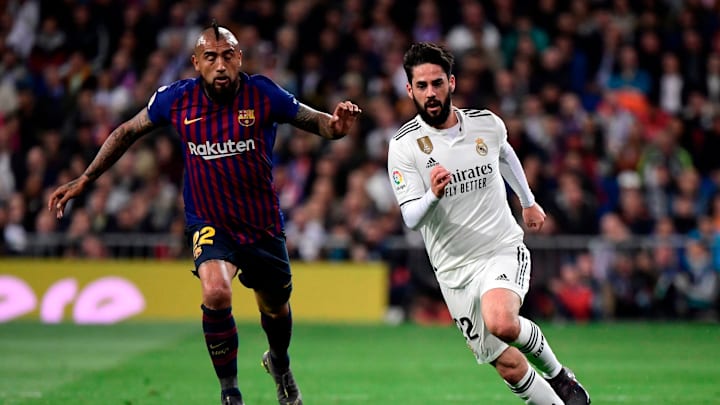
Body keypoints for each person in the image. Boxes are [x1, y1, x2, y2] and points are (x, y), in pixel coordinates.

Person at [48, 21, 361, 405]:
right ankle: (231, 394)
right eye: (210, 57)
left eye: (228, 55)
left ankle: (279, 363)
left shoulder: (262, 93)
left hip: (261, 224)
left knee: (276, 310)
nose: (221, 65)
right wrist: (85, 178)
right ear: (196, 62)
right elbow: (126, 132)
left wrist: (337, 126)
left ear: (239, 58)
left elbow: (317, 122)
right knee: (215, 293)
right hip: (210, 221)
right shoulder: (175, 100)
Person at [387, 42, 590, 404]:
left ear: (451, 82)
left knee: (501, 322)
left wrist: (528, 202)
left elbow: (505, 152)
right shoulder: (404, 146)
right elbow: (410, 217)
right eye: (422, 86)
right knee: (508, 364)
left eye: (437, 83)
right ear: (409, 90)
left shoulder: (485, 123)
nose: (430, 93)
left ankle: (559, 375)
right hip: (453, 271)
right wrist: (432, 195)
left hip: (499, 248)